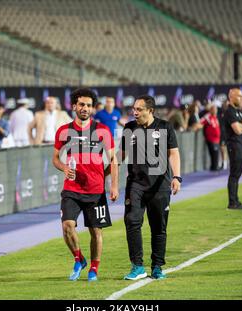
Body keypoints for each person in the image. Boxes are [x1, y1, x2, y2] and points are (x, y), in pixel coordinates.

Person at [52, 88, 119, 282]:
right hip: (71, 189)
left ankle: (94, 269)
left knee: (95, 231)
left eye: (89, 105)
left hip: (95, 191)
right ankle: (79, 258)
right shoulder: (64, 131)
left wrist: (113, 186)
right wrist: (64, 168)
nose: (85, 108)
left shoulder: (102, 130)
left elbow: (113, 160)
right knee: (67, 226)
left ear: (93, 108)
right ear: (74, 106)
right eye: (81, 104)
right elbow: (55, 159)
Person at [118, 95, 181, 280]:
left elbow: (174, 154)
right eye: (133, 109)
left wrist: (176, 177)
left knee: (158, 227)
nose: (134, 112)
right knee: (132, 221)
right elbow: (119, 156)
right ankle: (137, 266)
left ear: (150, 111)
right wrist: (107, 172)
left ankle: (157, 267)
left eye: (139, 109)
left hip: (160, 185)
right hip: (135, 185)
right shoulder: (129, 128)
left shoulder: (165, 127)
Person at [224, 88, 242, 210]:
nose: (241, 98)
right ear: (232, 97)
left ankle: (236, 200)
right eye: (239, 96)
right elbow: (238, 130)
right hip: (234, 146)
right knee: (234, 174)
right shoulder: (230, 111)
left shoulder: (237, 111)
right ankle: (232, 202)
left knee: (237, 174)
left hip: (239, 145)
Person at [200, 103, 221, 171]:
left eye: (216, 109)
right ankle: (214, 167)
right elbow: (201, 123)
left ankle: (214, 166)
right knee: (214, 153)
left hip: (217, 139)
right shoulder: (208, 116)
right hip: (211, 138)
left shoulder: (215, 117)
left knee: (216, 153)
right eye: (214, 109)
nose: (215, 111)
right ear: (211, 110)